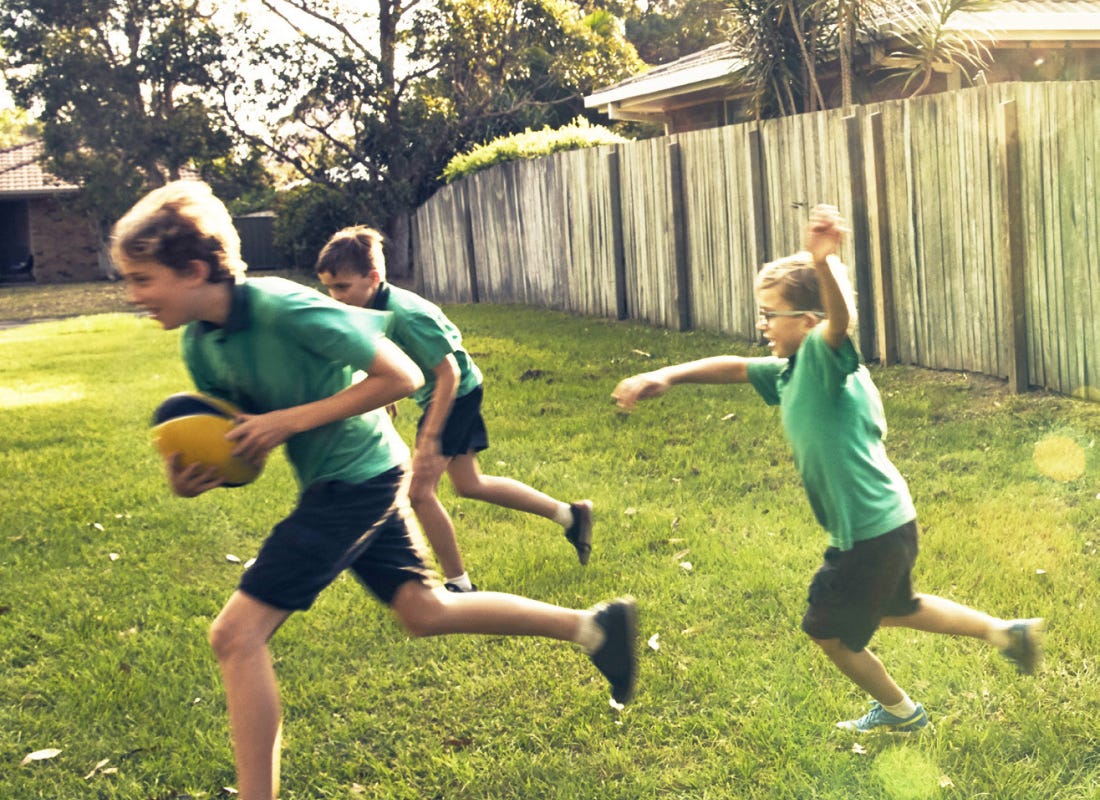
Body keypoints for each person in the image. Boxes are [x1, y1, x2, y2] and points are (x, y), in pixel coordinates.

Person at [111, 181, 637, 800]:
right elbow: (240, 443)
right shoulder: (203, 345)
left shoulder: (285, 307)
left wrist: (288, 421)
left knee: (235, 635)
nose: (134, 296)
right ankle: (596, 628)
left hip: (357, 477)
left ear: (195, 269)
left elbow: (403, 374)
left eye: (142, 279)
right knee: (424, 612)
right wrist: (196, 475)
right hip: (347, 477)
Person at [611, 204, 1041, 733]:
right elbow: (735, 368)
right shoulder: (793, 371)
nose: (762, 324)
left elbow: (841, 320)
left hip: (866, 532)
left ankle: (902, 713)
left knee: (826, 632)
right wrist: (667, 375)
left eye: (771, 314)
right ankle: (1005, 633)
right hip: (887, 521)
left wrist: (824, 262)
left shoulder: (819, 355)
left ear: (807, 322)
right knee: (895, 608)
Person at [315, 226, 593, 592]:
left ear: (373, 277)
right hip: (452, 391)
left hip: (454, 395)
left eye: (342, 287)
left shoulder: (406, 313)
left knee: (418, 493)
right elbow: (389, 351)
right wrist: (388, 390)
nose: (335, 298)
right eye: (329, 289)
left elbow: (447, 372)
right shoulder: (372, 305)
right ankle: (570, 515)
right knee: (469, 484)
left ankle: (459, 585)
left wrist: (430, 434)